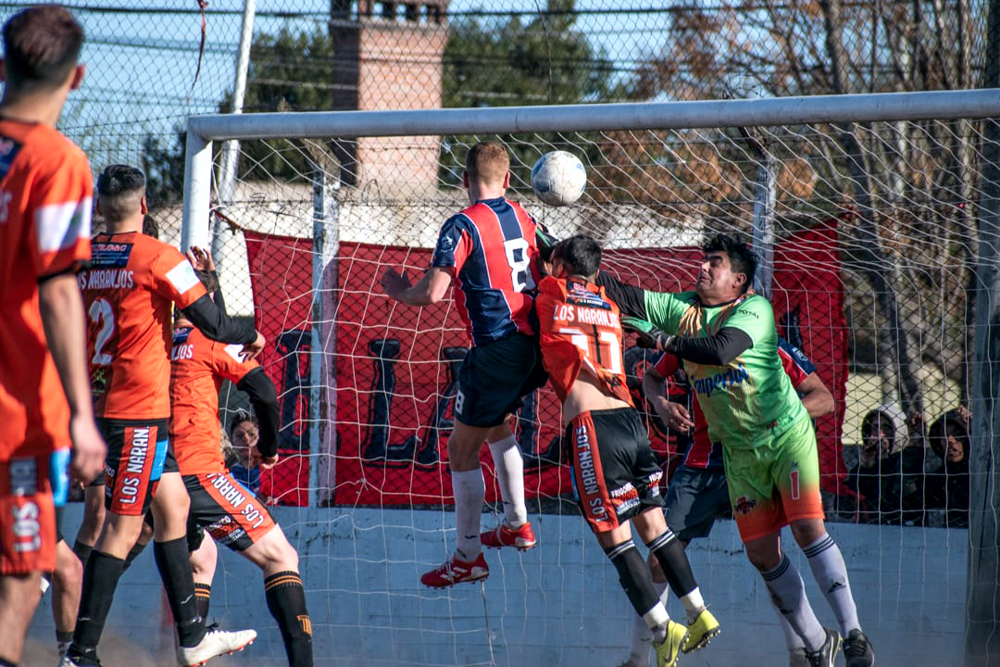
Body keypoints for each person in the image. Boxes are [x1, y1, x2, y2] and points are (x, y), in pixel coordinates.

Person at [599, 233, 874, 667]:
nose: (703, 267)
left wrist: (661, 338)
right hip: (723, 453)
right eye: (703, 260)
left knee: (805, 532)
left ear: (739, 281)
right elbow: (639, 318)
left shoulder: (757, 319)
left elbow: (809, 391)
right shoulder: (686, 317)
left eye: (715, 262)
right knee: (746, 555)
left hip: (782, 438)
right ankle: (814, 644)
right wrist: (580, 267)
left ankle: (848, 638)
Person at [63, 165, 264, 667]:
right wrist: (254, 328)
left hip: (102, 404)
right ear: (145, 205)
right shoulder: (158, 257)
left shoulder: (81, 257)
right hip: (137, 414)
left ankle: (193, 634)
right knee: (121, 529)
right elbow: (213, 322)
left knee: (172, 506)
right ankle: (81, 653)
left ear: (100, 210)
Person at [536, 235, 719, 667]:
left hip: (592, 426)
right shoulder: (610, 303)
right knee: (655, 526)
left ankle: (662, 627)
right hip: (631, 421)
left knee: (614, 536)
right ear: (597, 272)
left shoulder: (546, 295)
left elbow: (543, 279)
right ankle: (698, 612)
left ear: (558, 264)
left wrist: (546, 257)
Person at [380, 142, 547, 587]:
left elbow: (434, 292)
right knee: (494, 427)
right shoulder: (526, 217)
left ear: (464, 181)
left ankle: (469, 554)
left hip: (495, 349)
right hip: (535, 347)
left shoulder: (462, 224)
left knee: (459, 449)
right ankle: (516, 524)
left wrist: (399, 290)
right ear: (508, 180)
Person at [621, 337, 835, 667]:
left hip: (756, 461)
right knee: (658, 559)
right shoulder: (691, 336)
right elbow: (652, 377)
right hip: (703, 466)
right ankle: (639, 660)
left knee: (770, 561)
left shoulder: (767, 342)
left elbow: (823, 398)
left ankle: (804, 653)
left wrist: (781, 418)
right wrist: (662, 405)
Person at [0, 7, 106, 666]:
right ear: (78, 78)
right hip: (17, 416)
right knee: (18, 581)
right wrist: (82, 416)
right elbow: (60, 287)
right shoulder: (56, 161)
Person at [169, 246, 312, 666]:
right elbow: (265, 393)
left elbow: (216, 327)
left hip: (153, 475)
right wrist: (269, 448)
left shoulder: (154, 341)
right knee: (282, 557)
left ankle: (76, 645)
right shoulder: (206, 340)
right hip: (198, 475)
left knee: (201, 560)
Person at [848, 403, 926, 526]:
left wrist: (884, 462)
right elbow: (843, 508)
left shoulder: (908, 461)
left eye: (887, 428)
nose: (880, 434)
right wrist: (864, 467)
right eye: (875, 428)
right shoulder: (866, 465)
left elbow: (896, 507)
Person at [925, 407, 970, 528]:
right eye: (944, 435)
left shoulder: (983, 477)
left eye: (957, 434)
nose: (950, 440)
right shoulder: (938, 478)